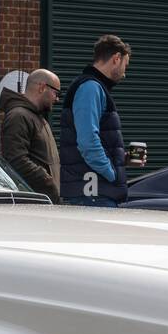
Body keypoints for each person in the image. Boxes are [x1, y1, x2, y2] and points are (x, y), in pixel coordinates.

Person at [59, 34, 137, 206]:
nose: (125, 73)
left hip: (93, 191)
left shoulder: (93, 87)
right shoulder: (90, 88)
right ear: (116, 58)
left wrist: (121, 160)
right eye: (126, 65)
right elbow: (87, 142)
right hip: (94, 193)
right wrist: (111, 173)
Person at [0, 69, 62, 203]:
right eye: (56, 93)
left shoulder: (37, 117)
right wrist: (48, 183)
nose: (57, 98)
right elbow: (16, 160)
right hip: (33, 204)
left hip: (45, 201)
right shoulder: (18, 116)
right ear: (42, 87)